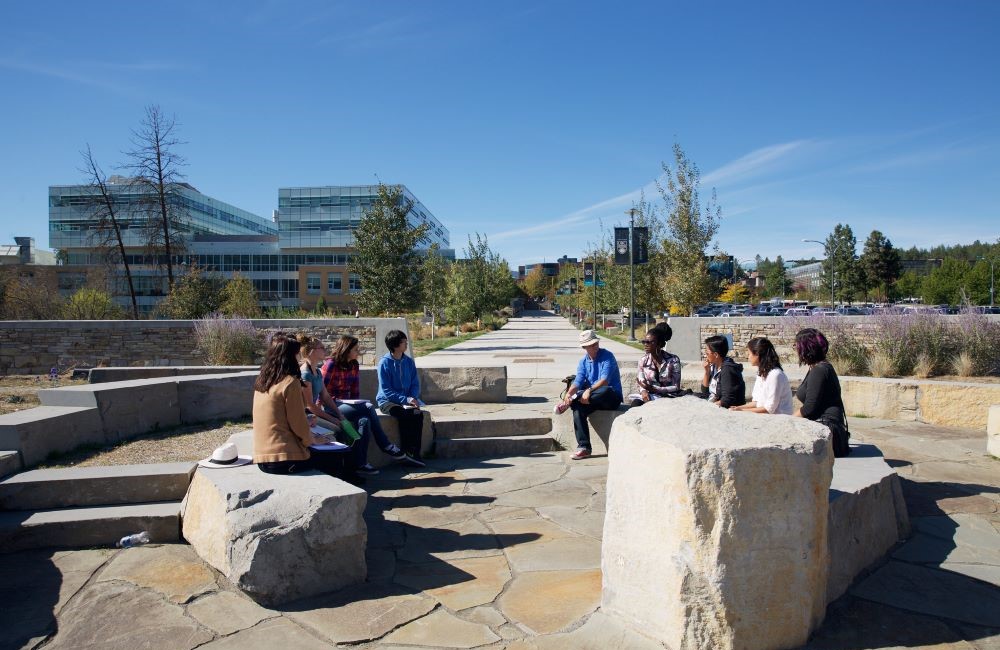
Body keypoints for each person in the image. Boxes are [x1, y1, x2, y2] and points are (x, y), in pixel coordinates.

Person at [252, 335, 360, 483]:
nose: (299, 358)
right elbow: (298, 425)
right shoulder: (290, 383)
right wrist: (315, 440)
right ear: (291, 356)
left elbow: (282, 417)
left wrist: (307, 420)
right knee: (336, 455)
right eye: (297, 354)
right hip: (283, 459)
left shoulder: (262, 381)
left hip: (262, 458)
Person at [322, 335, 424, 468]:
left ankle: (362, 464)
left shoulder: (354, 364)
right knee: (370, 407)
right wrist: (326, 413)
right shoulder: (331, 364)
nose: (358, 352)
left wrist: (412, 398)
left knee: (365, 421)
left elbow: (354, 392)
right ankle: (386, 445)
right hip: (333, 405)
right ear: (346, 349)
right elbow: (321, 393)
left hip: (349, 405)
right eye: (356, 349)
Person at [556, 329, 623, 460]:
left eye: (596, 343)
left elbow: (604, 381)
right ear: (584, 347)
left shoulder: (608, 356)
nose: (595, 346)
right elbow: (578, 381)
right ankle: (584, 447)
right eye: (592, 345)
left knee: (605, 390)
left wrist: (588, 390)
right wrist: (569, 393)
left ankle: (571, 402)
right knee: (577, 409)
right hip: (591, 399)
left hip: (610, 397)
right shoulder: (583, 362)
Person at [793, 328, 851, 456]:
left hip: (826, 427)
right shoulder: (820, 367)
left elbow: (809, 408)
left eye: (796, 345)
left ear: (806, 348)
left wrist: (788, 420)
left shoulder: (819, 370)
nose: (796, 349)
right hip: (827, 426)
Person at [376, 330, 426, 462]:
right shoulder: (384, 363)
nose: (406, 344)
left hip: (407, 400)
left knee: (417, 414)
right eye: (404, 342)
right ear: (395, 345)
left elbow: (415, 383)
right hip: (387, 401)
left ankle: (415, 452)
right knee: (404, 415)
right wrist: (406, 399)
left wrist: (412, 398)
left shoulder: (408, 362)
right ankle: (406, 451)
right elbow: (386, 390)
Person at [729, 337, 793, 415]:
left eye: (749, 354)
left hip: (779, 419)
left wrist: (742, 411)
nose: (748, 357)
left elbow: (769, 408)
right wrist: (738, 408)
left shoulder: (775, 375)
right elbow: (757, 402)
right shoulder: (761, 372)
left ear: (757, 354)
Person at [631, 323, 682, 406]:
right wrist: (643, 392)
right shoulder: (643, 361)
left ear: (659, 344)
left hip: (668, 396)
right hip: (649, 395)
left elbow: (676, 386)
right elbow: (641, 382)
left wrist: (656, 389)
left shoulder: (673, 360)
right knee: (635, 404)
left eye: (649, 342)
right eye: (644, 342)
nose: (645, 344)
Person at [700, 335, 746, 408]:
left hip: (727, 410)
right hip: (714, 403)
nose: (705, 356)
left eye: (707, 353)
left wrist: (708, 407)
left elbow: (727, 400)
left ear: (716, 355)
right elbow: (705, 392)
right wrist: (707, 372)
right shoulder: (713, 366)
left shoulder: (728, 370)